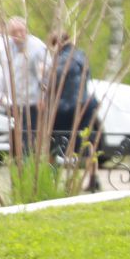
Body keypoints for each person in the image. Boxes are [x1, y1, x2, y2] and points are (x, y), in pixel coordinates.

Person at [46, 28, 101, 190]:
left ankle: (52, 177)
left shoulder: (63, 58)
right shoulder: (81, 55)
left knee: (54, 142)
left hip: (65, 107)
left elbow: (57, 76)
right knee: (87, 142)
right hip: (86, 103)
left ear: (56, 44)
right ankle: (93, 178)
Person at [0, 17, 47, 154]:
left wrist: (43, 96)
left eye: (21, 31)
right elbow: (4, 72)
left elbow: (44, 75)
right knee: (17, 133)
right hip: (15, 100)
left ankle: (28, 160)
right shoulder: (7, 48)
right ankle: (18, 160)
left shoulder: (37, 48)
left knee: (29, 134)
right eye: (14, 32)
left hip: (33, 100)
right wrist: (2, 93)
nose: (18, 34)